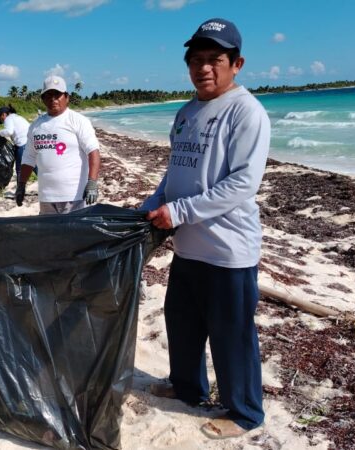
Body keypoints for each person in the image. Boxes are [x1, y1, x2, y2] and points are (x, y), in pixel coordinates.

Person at [141, 18, 270, 439]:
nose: (204, 69)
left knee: (232, 335)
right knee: (183, 324)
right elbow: (176, 170)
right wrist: (152, 205)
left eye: (215, 59)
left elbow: (241, 184)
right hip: (188, 247)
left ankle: (245, 411)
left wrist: (179, 212)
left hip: (228, 249)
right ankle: (187, 388)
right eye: (196, 60)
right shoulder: (186, 112)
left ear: (237, 63)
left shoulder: (246, 111)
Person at [15, 75, 100, 214]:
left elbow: (93, 152)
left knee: (73, 235)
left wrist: (92, 183)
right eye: (48, 95)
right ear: (42, 99)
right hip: (46, 197)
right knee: (49, 235)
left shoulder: (78, 121)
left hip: (74, 196)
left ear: (67, 97)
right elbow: (28, 159)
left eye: (57, 95)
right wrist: (21, 185)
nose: (53, 99)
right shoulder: (36, 126)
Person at [0, 104, 34, 181]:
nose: (2, 121)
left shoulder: (8, 119)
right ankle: (47, 186)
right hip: (31, 143)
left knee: (20, 169)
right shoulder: (17, 117)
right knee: (34, 165)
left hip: (23, 144)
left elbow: (9, 131)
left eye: (1, 119)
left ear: (3, 114)